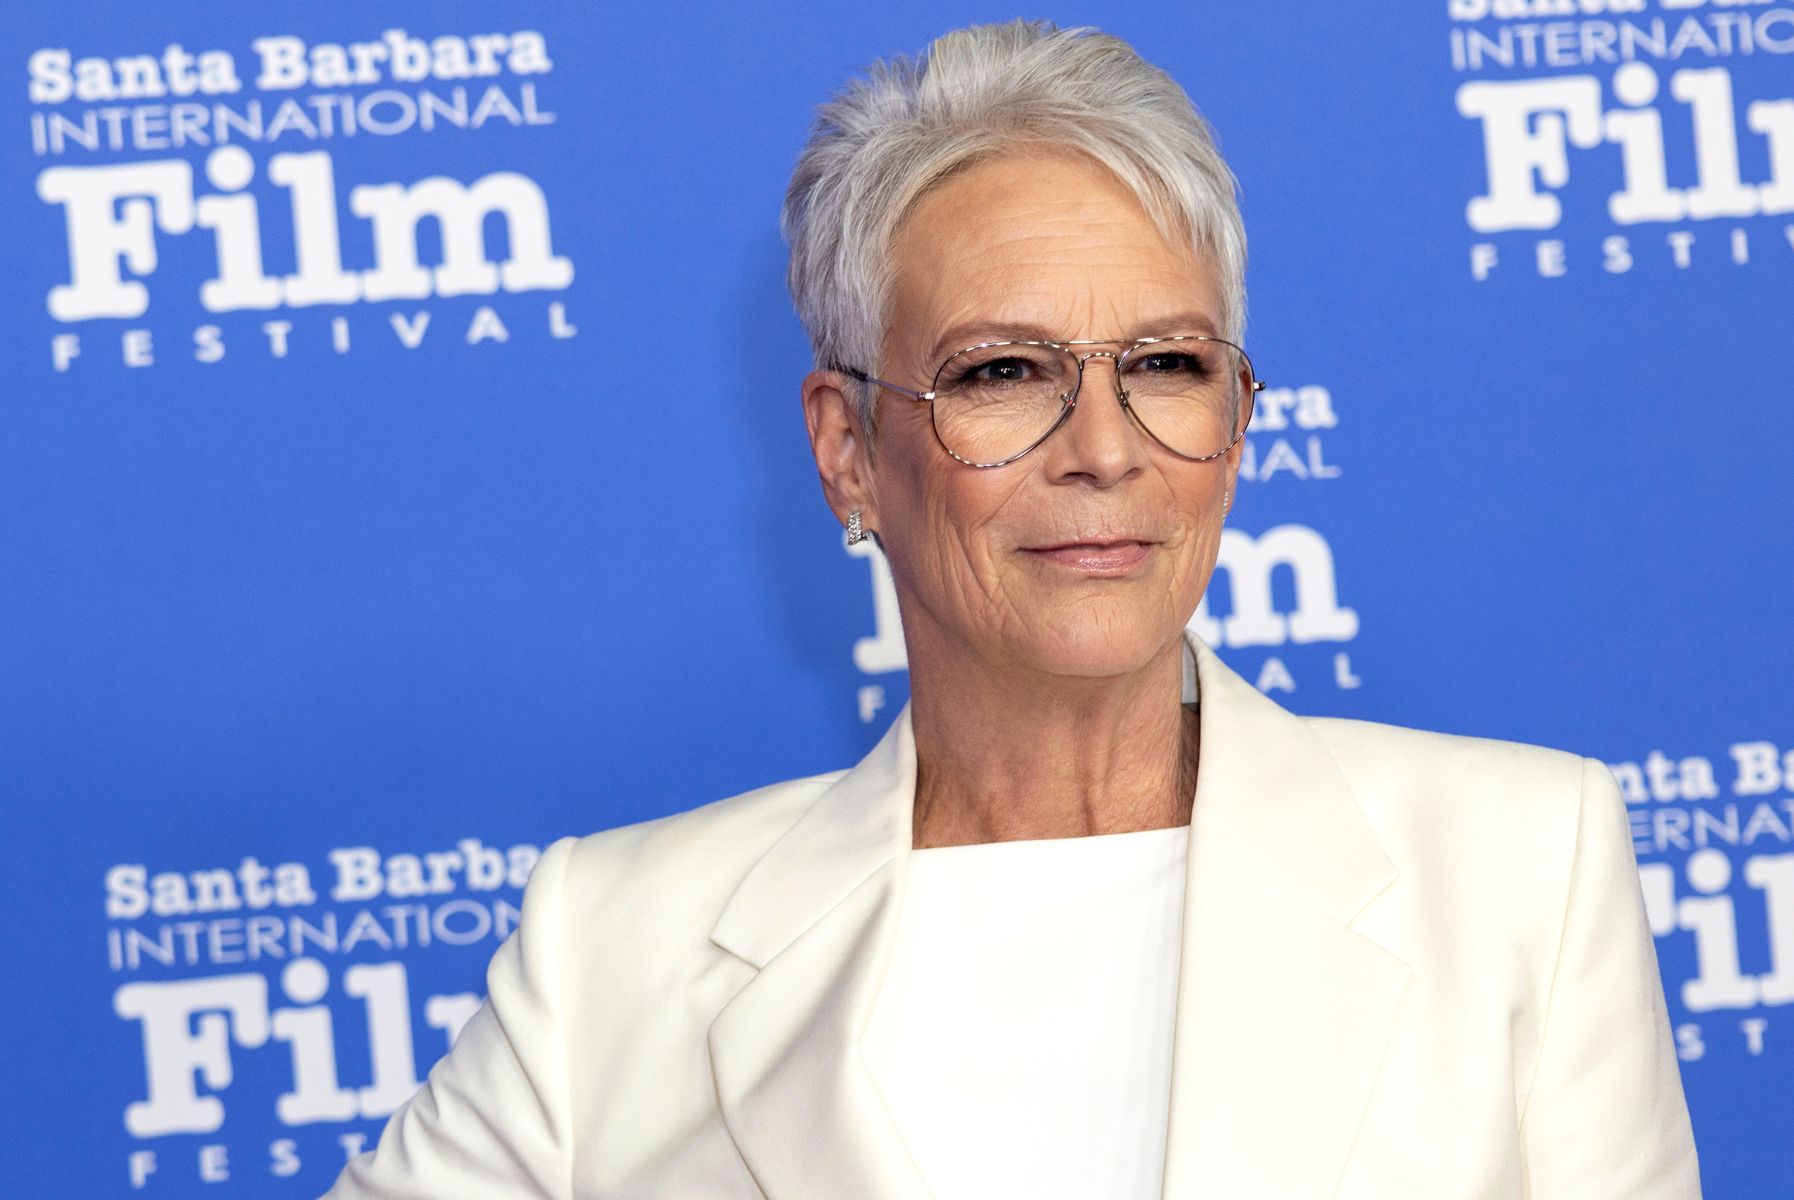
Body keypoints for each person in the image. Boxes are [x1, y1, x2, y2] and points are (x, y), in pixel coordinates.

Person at [321, 18, 1700, 1199]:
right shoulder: (612, 949)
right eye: (1001, 373)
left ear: (1237, 421)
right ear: (847, 447)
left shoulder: (1526, 870)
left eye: (1165, 362)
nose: (1104, 446)